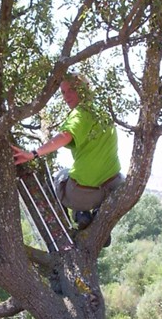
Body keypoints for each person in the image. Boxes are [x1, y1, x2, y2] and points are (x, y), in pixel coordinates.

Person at [12, 73, 124, 229]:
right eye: (63, 92)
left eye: (72, 90)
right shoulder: (103, 113)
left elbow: (65, 135)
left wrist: (33, 154)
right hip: (114, 186)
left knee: (59, 177)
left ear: (85, 88)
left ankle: (78, 216)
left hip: (85, 194)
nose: (66, 97)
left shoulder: (81, 112)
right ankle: (97, 216)